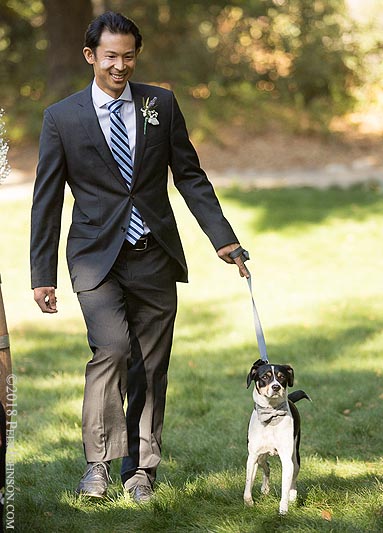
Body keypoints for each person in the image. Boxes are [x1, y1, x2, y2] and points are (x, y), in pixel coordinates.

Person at [30, 11, 248, 503]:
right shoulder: (61, 118)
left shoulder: (161, 104)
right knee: (111, 350)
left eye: (129, 55)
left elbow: (189, 175)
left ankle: (141, 469)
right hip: (95, 259)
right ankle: (99, 466)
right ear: (91, 56)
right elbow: (46, 199)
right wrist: (42, 275)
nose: (120, 66)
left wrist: (223, 238)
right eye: (110, 56)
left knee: (151, 364)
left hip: (153, 254)